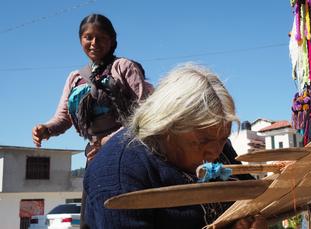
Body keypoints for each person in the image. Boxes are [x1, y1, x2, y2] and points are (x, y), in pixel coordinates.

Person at [83, 64, 267, 228]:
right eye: (203, 141)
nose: (215, 151)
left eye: (223, 139)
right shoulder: (119, 175)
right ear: (166, 127)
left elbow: (253, 195)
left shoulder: (217, 145)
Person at [31, 14, 153, 228]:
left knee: (122, 217)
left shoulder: (124, 68)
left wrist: (110, 142)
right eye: (88, 37)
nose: (94, 43)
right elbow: (63, 118)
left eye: (101, 37)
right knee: (91, 220)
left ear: (112, 40)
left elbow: (146, 111)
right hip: (94, 158)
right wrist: (46, 129)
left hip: (128, 153)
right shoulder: (75, 78)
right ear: (80, 40)